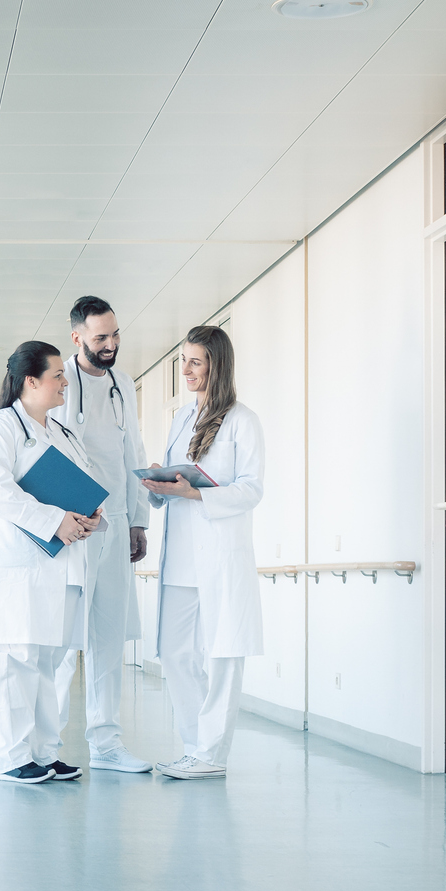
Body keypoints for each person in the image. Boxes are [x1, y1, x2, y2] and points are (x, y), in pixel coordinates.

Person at [0, 341, 105, 784]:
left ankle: (45, 752)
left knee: (49, 661)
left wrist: (90, 517)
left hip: (60, 563)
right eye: (58, 376)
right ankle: (12, 758)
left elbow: (84, 485)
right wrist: (55, 521)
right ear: (31, 381)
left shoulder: (62, 433)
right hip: (19, 566)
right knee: (15, 660)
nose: (66, 382)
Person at [141, 326, 265, 780]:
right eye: (184, 361)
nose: (187, 371)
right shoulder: (180, 418)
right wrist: (159, 484)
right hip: (181, 558)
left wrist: (197, 496)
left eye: (197, 361)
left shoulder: (242, 420)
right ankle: (195, 747)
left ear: (217, 365)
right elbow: (176, 484)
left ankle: (212, 754)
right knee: (174, 652)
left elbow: (252, 489)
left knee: (222, 654)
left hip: (218, 554)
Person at [52, 296, 153, 773]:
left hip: (114, 521)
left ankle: (107, 744)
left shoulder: (123, 384)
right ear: (77, 338)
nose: (110, 345)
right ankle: (45, 746)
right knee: (62, 637)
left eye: (115, 335)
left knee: (109, 636)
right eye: (100, 338)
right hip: (75, 526)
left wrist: (138, 519)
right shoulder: (59, 382)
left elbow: (132, 448)